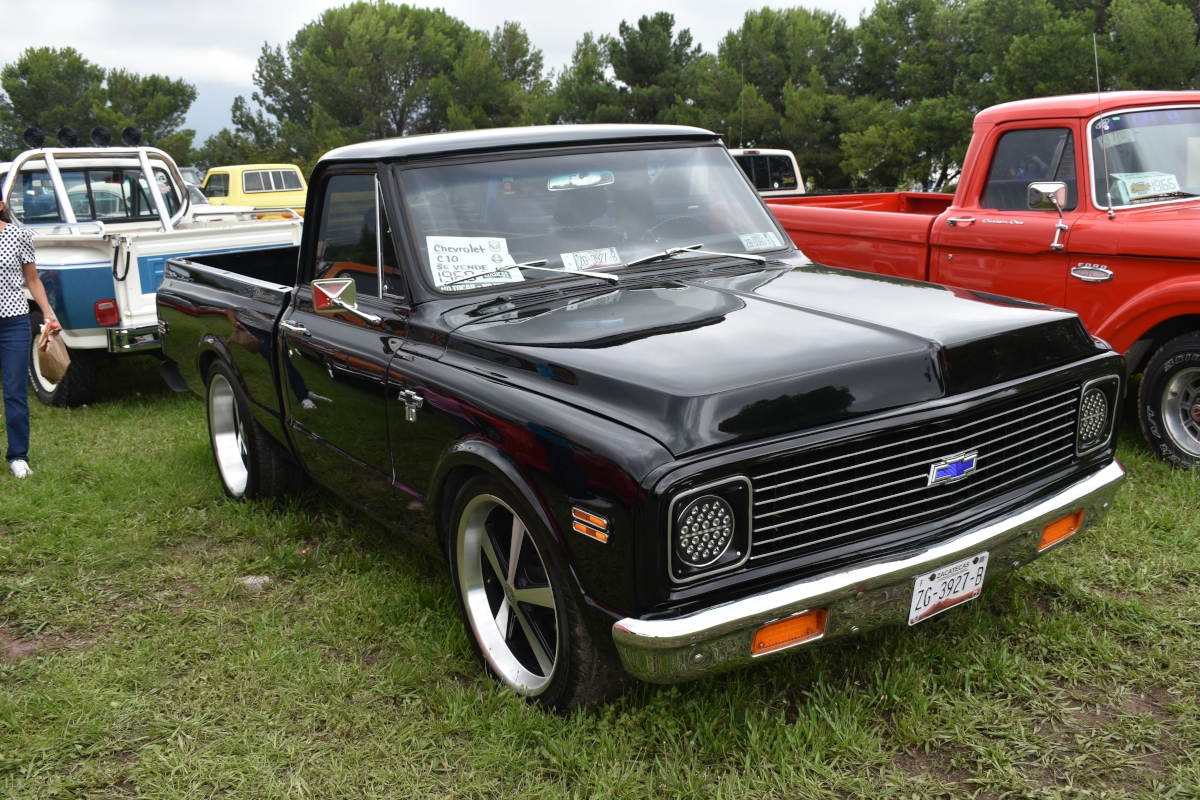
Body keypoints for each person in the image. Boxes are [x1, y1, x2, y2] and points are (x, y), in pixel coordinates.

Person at [0, 197, 59, 478]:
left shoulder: (18, 235)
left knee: (15, 392)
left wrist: (48, 313)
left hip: (14, 325)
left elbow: (33, 279)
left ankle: (18, 457)